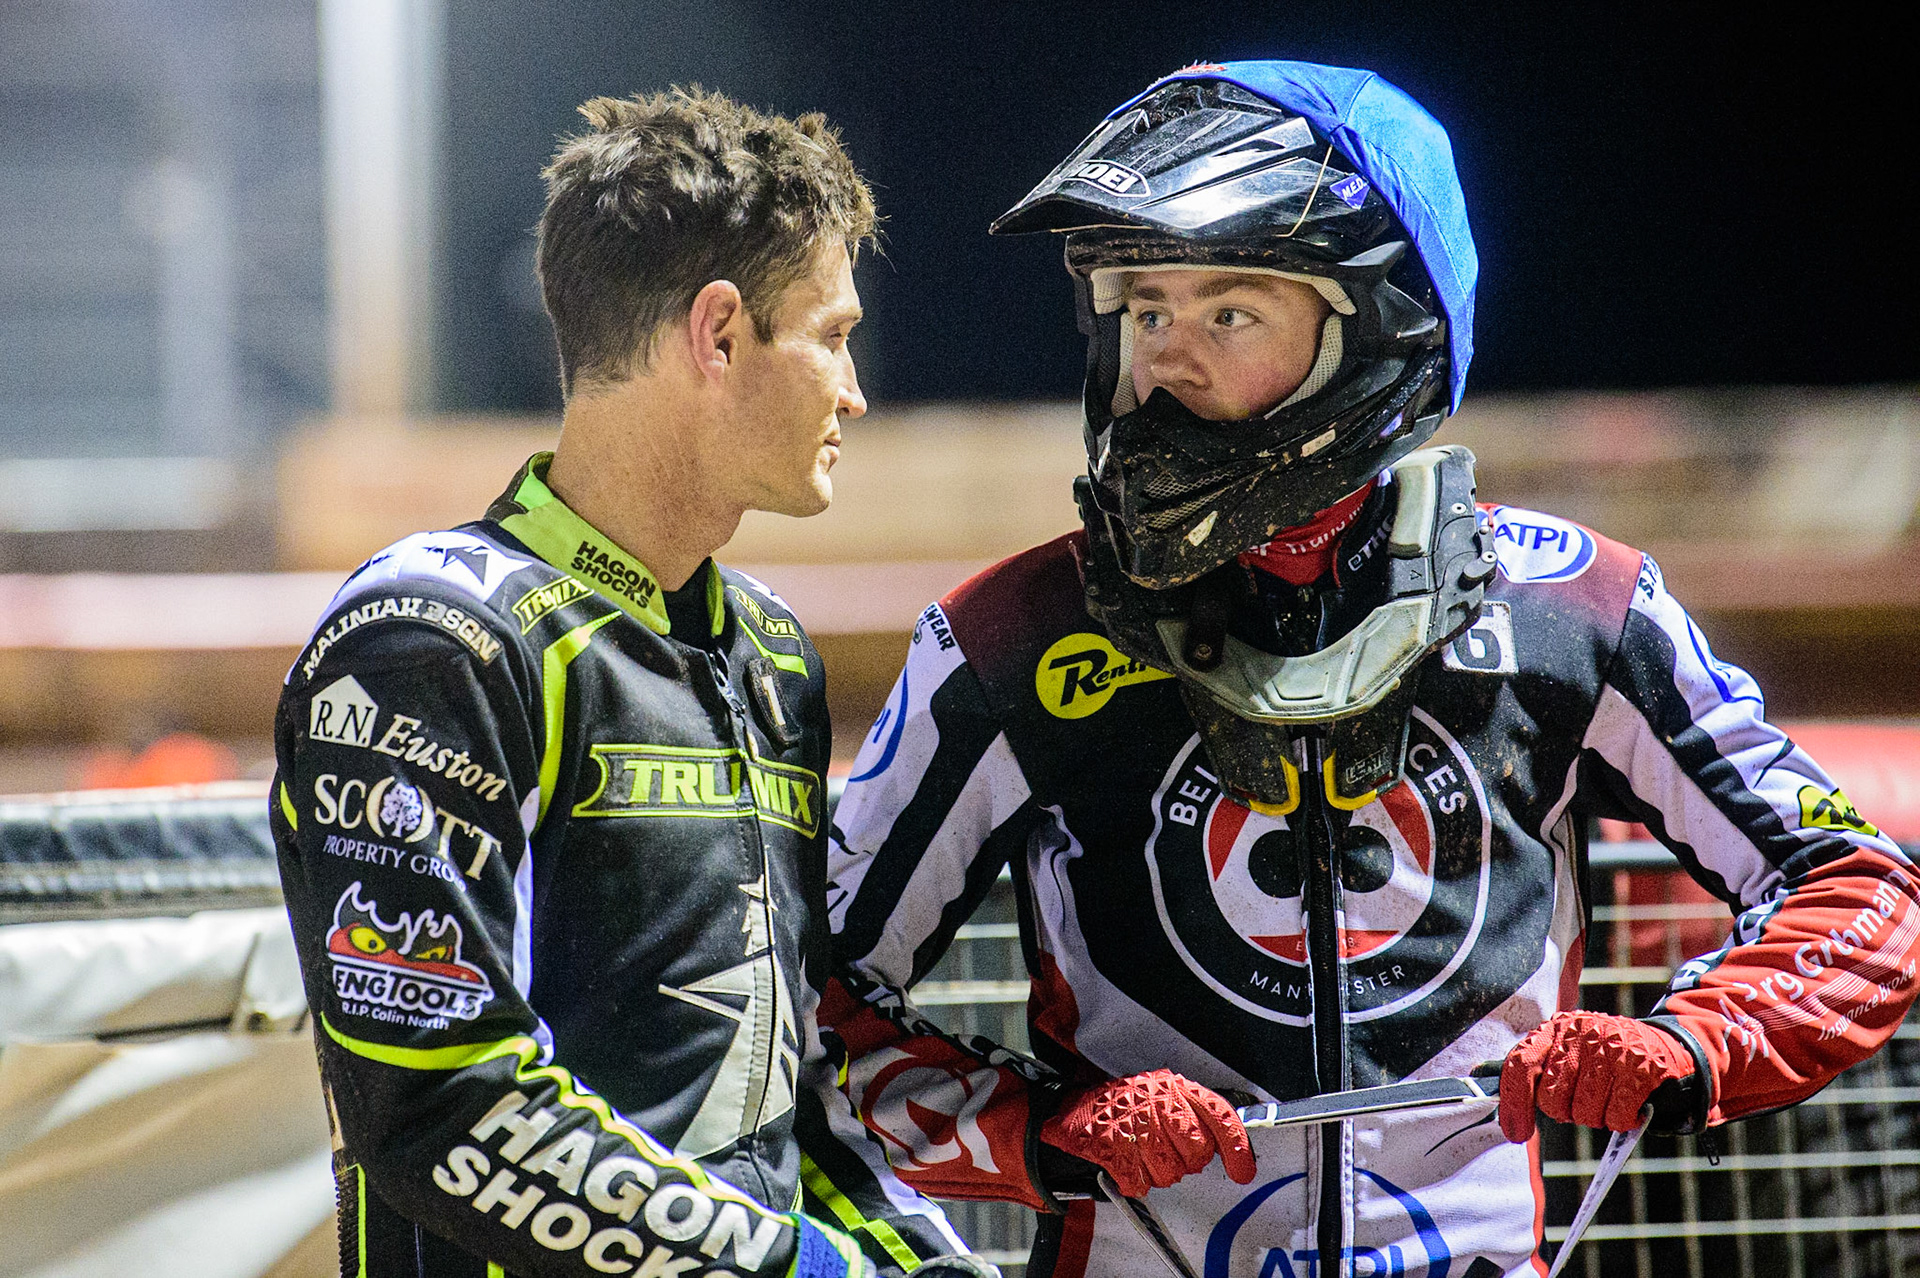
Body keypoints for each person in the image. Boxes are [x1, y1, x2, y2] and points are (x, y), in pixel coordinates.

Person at [820, 62, 1920, 1277]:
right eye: (1142, 311)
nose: (1163, 362)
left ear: (1379, 324)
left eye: (1226, 313)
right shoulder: (1009, 635)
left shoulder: (1579, 608)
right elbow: (813, 1001)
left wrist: (1695, 1044)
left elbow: (1864, 889)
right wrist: (1037, 1133)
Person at [274, 88, 986, 1278]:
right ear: (718, 334)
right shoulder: (431, 639)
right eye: (831, 333)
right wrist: (780, 1269)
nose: (853, 390)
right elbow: (444, 1107)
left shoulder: (770, 654)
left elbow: (782, 1091)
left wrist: (923, 1263)